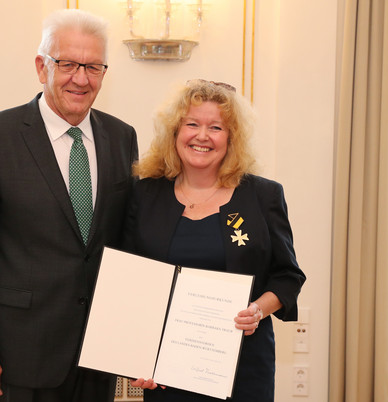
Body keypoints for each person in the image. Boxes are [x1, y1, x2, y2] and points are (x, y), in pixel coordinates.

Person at [0, 9, 138, 402]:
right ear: (42, 67)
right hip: (20, 356)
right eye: (68, 64)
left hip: (97, 354)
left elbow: (126, 244)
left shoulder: (122, 137)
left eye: (93, 67)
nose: (81, 79)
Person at [123, 79, 306, 402]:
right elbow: (128, 279)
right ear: (175, 132)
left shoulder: (263, 196)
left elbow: (287, 276)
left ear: (232, 138)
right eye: (192, 124)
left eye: (216, 127)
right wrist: (135, 355)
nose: (202, 136)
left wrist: (258, 310)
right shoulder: (144, 193)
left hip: (244, 367)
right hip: (166, 368)